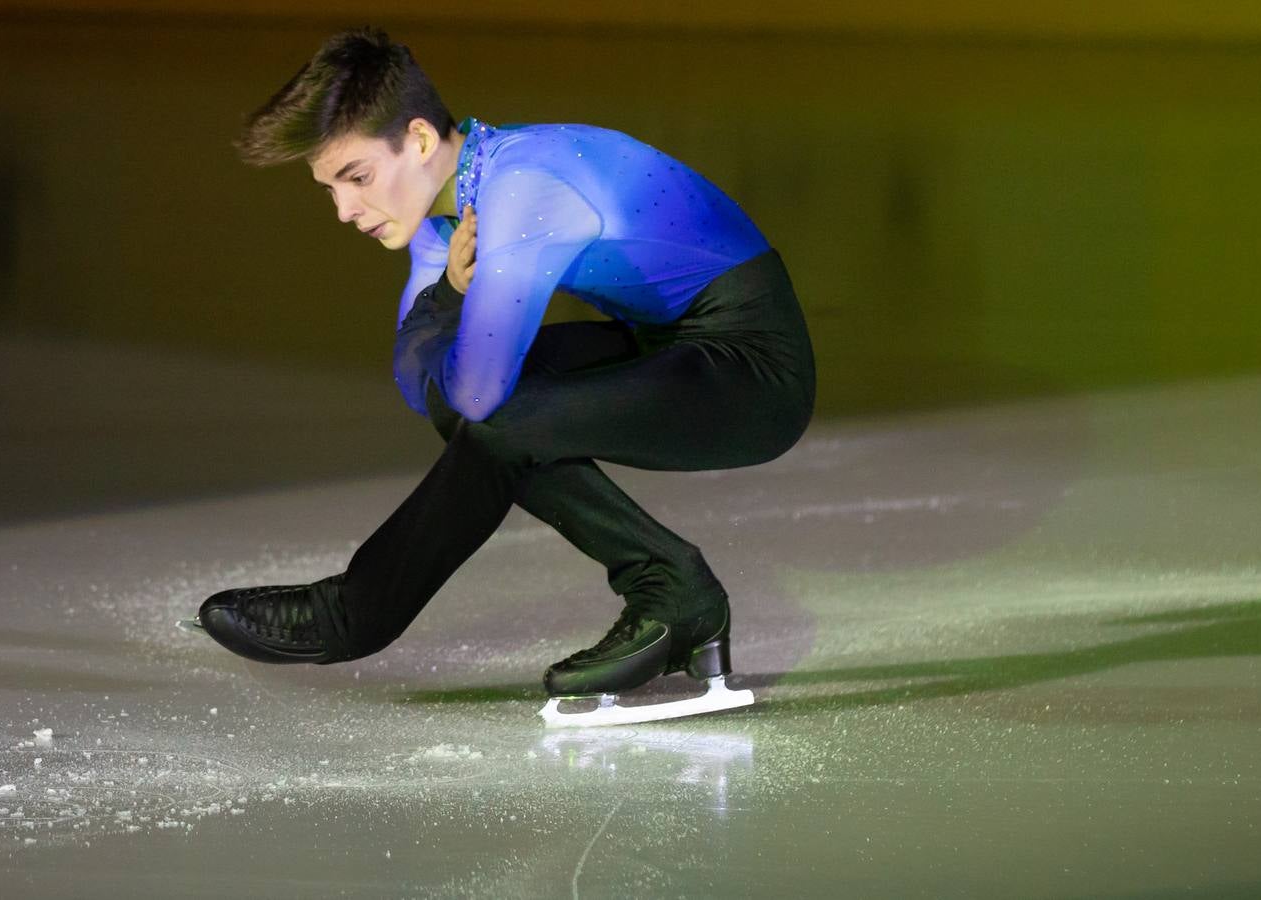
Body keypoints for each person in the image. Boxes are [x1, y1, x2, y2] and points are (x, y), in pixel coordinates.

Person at [195, 27, 814, 714]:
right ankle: (674, 593)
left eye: (358, 177)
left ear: (421, 141)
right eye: (330, 189)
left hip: (753, 373)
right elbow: (418, 379)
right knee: (484, 411)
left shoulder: (523, 186)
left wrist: (447, 315)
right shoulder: (453, 205)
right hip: (663, 344)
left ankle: (358, 610)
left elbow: (476, 387)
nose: (344, 210)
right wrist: (448, 295)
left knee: (499, 414)